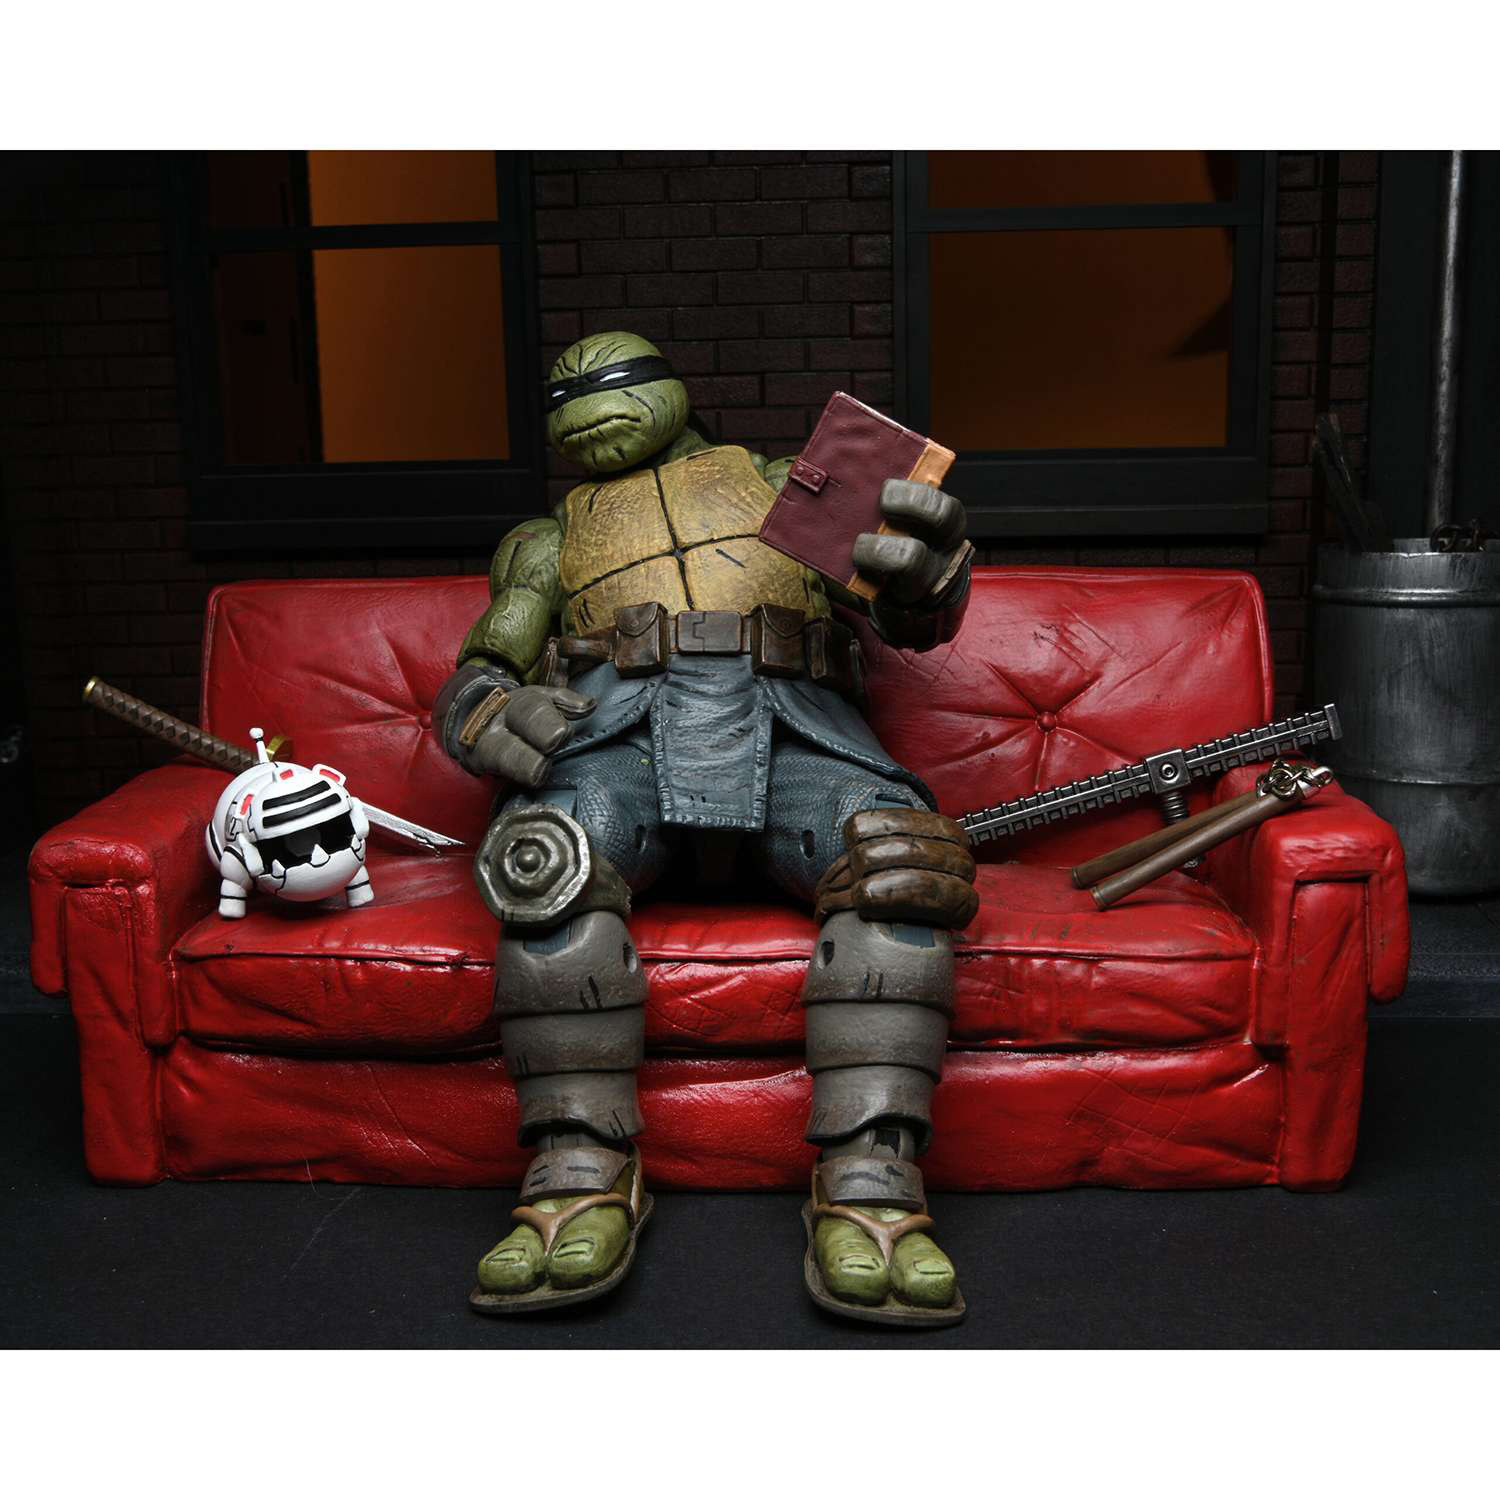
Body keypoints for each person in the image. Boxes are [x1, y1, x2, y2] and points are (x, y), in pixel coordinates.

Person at [433, 332, 977, 1325]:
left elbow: (909, 617)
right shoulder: (547, 542)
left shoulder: (787, 489)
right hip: (617, 741)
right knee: (545, 864)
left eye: (612, 380)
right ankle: (579, 1166)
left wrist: (927, 576)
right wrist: (486, 714)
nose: (585, 401)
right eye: (563, 393)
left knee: (897, 864)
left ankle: (871, 1178)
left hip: (797, 729)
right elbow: (486, 669)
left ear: (674, 389)